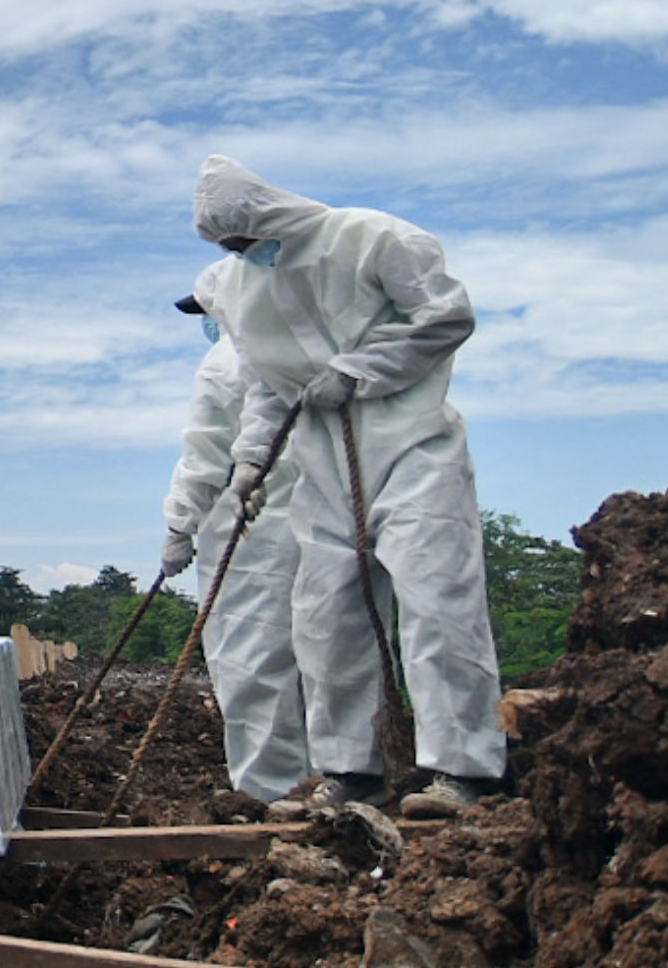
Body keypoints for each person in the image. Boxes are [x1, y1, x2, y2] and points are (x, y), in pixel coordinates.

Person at [192, 155, 504, 819]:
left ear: (270, 214)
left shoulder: (372, 238)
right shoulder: (242, 287)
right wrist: (250, 463)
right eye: (231, 247)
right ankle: (351, 771)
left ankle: (460, 771)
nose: (244, 253)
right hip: (322, 465)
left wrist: (359, 371)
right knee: (325, 615)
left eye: (246, 238)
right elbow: (267, 389)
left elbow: (446, 316)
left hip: (410, 445)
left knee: (435, 600)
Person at [156, 279, 311, 801]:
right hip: (316, 523)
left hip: (252, 535)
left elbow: (204, 454)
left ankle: (271, 792)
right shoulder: (303, 349)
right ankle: (340, 778)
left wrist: (179, 526)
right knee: (324, 659)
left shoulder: (225, 364)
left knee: (251, 662)